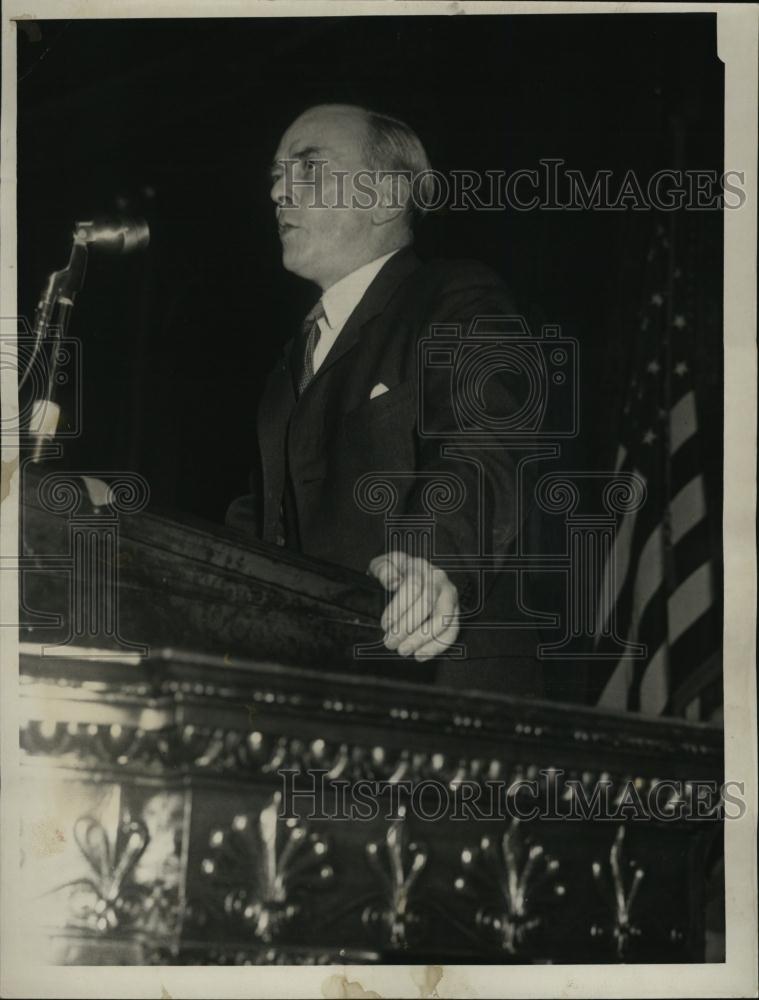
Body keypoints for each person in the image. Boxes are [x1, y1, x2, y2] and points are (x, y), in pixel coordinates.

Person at [227, 103, 542, 696]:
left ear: (386, 199)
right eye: (275, 174)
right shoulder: (289, 365)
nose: (277, 192)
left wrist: (430, 558)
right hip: (316, 695)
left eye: (308, 168)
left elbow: (483, 443)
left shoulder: (456, 297)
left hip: (436, 694)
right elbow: (257, 530)